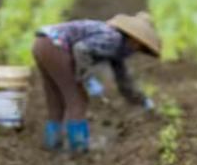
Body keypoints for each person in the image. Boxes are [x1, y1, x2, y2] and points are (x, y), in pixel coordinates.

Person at [32, 12, 160, 152]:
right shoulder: (113, 39)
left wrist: (142, 100)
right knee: (78, 99)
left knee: (55, 97)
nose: (137, 51)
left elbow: (124, 80)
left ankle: (52, 143)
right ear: (135, 40)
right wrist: (87, 79)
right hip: (56, 46)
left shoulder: (116, 44)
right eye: (140, 47)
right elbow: (81, 49)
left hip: (41, 42)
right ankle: (78, 148)